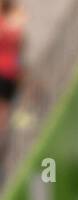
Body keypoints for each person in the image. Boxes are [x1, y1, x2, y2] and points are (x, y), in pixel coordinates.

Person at [0, 0, 25, 133]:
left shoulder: (10, 24)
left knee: (6, 108)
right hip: (7, 72)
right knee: (5, 109)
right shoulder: (10, 25)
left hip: (9, 72)